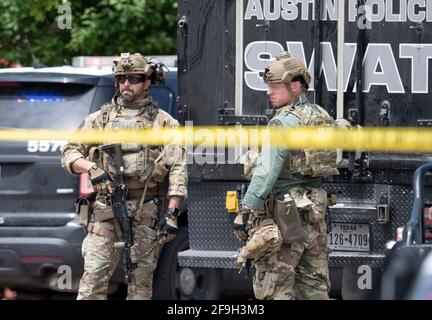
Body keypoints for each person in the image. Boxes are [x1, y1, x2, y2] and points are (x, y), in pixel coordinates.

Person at [61, 52, 188, 300]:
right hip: (105, 209)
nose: (126, 84)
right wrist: (91, 167)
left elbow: (178, 168)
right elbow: (69, 153)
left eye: (134, 78)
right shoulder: (101, 119)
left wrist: (172, 213)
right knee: (93, 280)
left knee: (140, 284)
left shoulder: (163, 123)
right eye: (121, 79)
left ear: (148, 82)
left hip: (146, 210)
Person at [234, 52, 339, 300]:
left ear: (295, 86)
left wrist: (247, 209)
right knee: (314, 288)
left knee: (275, 288)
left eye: (274, 86)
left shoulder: (282, 123)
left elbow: (267, 171)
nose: (269, 92)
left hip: (285, 217)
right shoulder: (322, 116)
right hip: (314, 216)